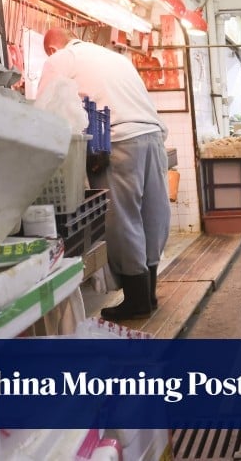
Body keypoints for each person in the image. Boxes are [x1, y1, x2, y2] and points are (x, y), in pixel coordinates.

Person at [40, 28, 170, 321]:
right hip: (151, 136)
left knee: (122, 219)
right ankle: (148, 294)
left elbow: (46, 109)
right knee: (152, 216)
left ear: (51, 49)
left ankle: (137, 300)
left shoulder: (61, 59)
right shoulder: (114, 58)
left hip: (115, 140)